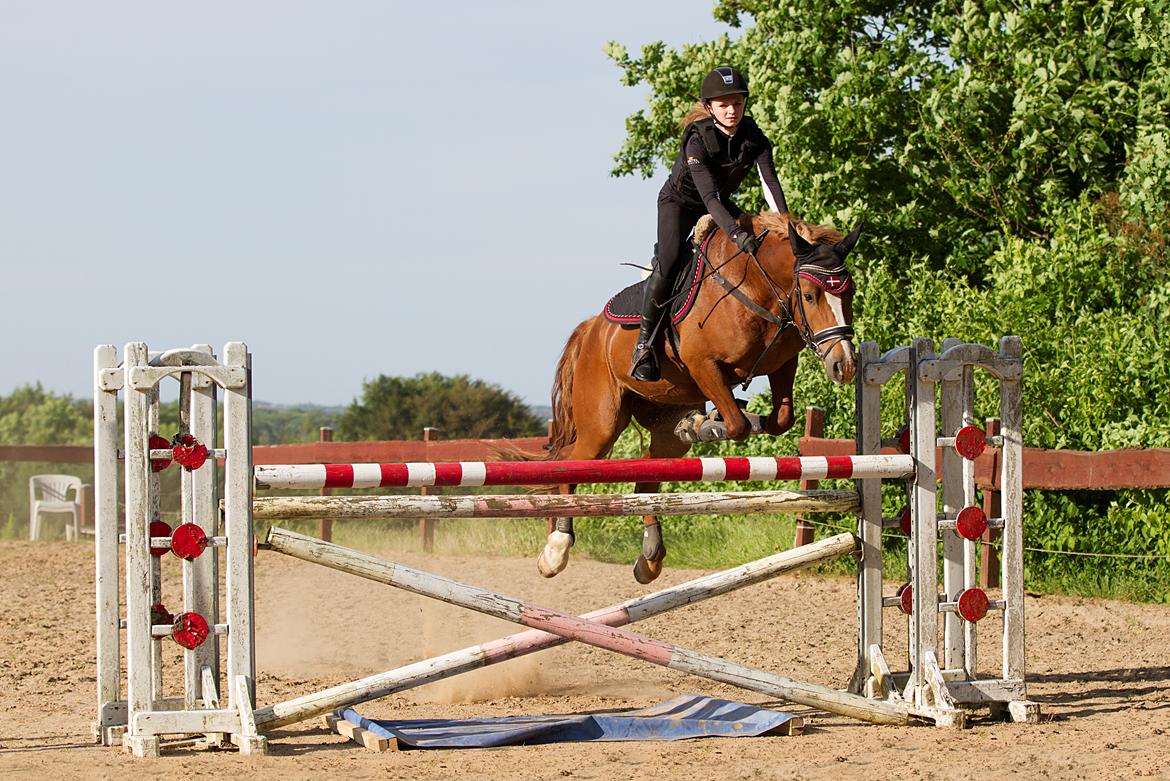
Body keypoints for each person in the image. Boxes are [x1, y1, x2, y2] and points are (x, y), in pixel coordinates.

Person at [630, 66, 790, 382]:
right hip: (681, 203)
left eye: (737, 104)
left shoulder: (754, 137)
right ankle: (644, 344)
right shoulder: (697, 140)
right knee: (671, 260)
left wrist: (789, 227)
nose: (732, 111)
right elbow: (709, 199)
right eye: (723, 105)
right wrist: (734, 232)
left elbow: (769, 182)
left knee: (753, 246)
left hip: (718, 201)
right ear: (709, 108)